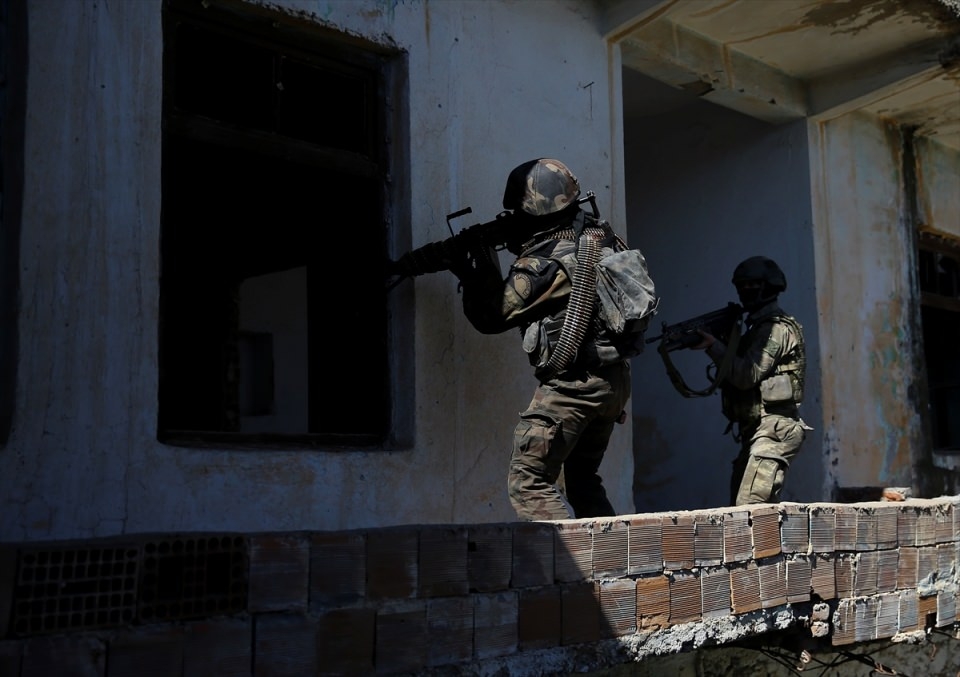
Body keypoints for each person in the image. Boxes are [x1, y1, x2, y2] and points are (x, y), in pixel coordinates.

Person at [454, 159, 635, 521]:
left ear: (533, 212)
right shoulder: (601, 239)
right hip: (612, 381)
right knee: (583, 482)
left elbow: (492, 316)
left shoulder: (547, 262)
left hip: (574, 386)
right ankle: (614, 555)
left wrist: (474, 272)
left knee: (528, 482)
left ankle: (569, 560)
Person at [691, 256, 810, 506]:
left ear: (770, 286)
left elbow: (748, 374)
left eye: (752, 285)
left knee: (750, 510)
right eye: (741, 286)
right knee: (741, 509)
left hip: (774, 429)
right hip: (756, 431)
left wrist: (714, 347)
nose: (745, 291)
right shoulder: (754, 330)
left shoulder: (776, 329)